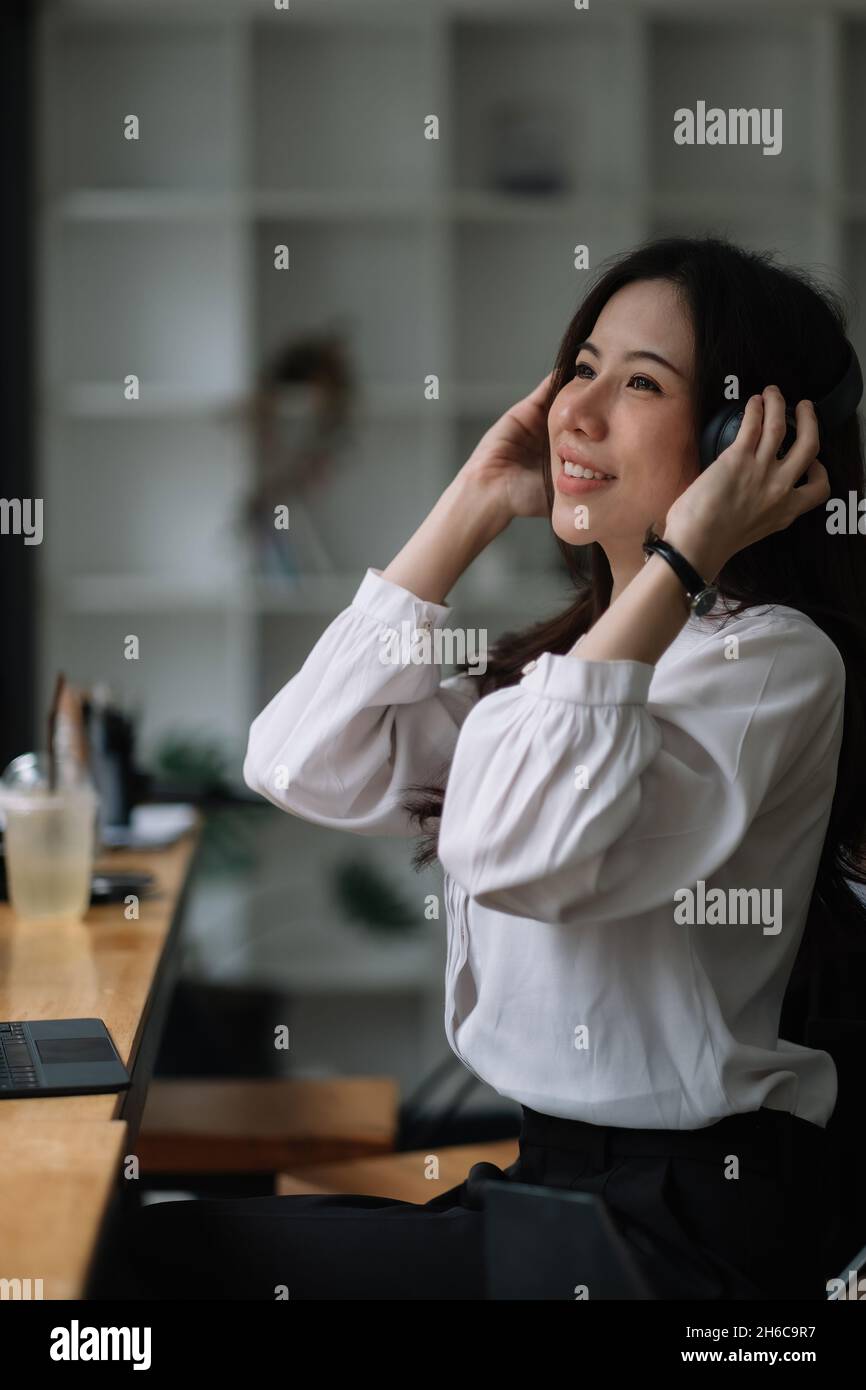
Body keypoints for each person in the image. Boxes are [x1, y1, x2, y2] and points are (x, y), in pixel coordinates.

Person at [117, 235, 866, 1300]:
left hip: (671, 1241)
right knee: (146, 1252)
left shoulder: (768, 660)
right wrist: (470, 499)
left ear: (734, 440)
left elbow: (515, 846)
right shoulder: (572, 663)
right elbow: (296, 759)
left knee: (151, 1271)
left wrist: (683, 558)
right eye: (581, 367)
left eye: (640, 382)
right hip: (546, 1193)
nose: (577, 408)